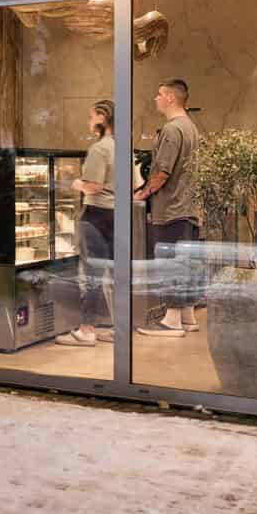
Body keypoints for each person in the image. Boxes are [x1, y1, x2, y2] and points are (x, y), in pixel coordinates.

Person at [58, 100, 136, 347]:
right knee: (115, 273)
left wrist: (76, 183)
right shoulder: (124, 147)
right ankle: (120, 327)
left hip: (97, 214)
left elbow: (93, 185)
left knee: (91, 274)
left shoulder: (99, 149)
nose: (89, 122)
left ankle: (87, 329)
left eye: (91, 117)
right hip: (119, 214)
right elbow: (135, 184)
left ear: (102, 117)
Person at [134, 78, 202, 338]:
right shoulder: (192, 128)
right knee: (186, 263)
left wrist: (143, 193)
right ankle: (187, 316)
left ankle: (171, 320)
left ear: (171, 98)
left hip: (172, 209)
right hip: (188, 208)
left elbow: (162, 172)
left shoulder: (173, 130)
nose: (156, 98)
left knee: (171, 263)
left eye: (159, 93)